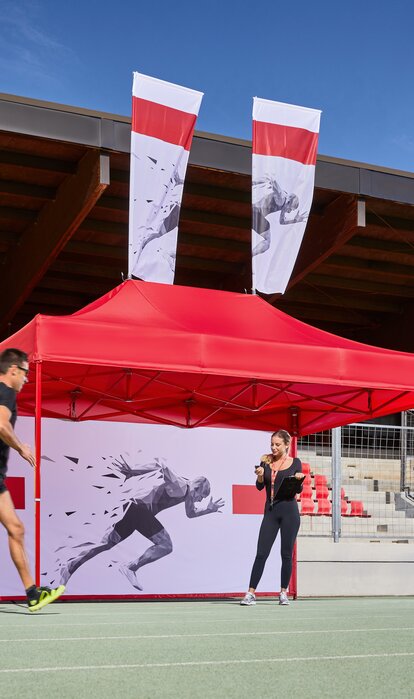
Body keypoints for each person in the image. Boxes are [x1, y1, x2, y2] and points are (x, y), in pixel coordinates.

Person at [59, 455, 225, 589]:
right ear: (197, 488)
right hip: (140, 510)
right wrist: (133, 471)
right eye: (200, 498)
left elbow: (191, 513)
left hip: (133, 509)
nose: (198, 501)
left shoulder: (187, 494)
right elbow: (161, 464)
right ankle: (131, 567)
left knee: (106, 543)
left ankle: (70, 566)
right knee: (166, 545)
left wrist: (208, 510)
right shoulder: (182, 486)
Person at [0, 348, 65, 611]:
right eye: (26, 372)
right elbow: (2, 425)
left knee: (16, 529)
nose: (27, 378)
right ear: (13, 370)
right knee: (16, 529)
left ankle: (32, 594)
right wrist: (21, 448)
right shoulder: (5, 391)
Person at [240, 429, 305, 606]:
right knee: (261, 553)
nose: (273, 447)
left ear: (286, 445)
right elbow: (259, 487)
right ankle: (251, 593)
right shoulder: (265, 460)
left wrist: (299, 478)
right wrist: (261, 476)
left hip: (289, 512)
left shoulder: (295, 462)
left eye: (277, 444)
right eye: (272, 444)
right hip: (270, 512)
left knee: (286, 554)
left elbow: (298, 490)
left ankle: (283, 592)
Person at [252, 176, 308, 256]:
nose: (289, 212)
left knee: (267, 241)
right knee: (267, 241)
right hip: (256, 212)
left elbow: (282, 221)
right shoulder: (281, 198)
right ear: (288, 202)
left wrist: (295, 220)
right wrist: (254, 182)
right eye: (291, 209)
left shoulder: (284, 205)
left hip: (254, 213)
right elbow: (272, 180)